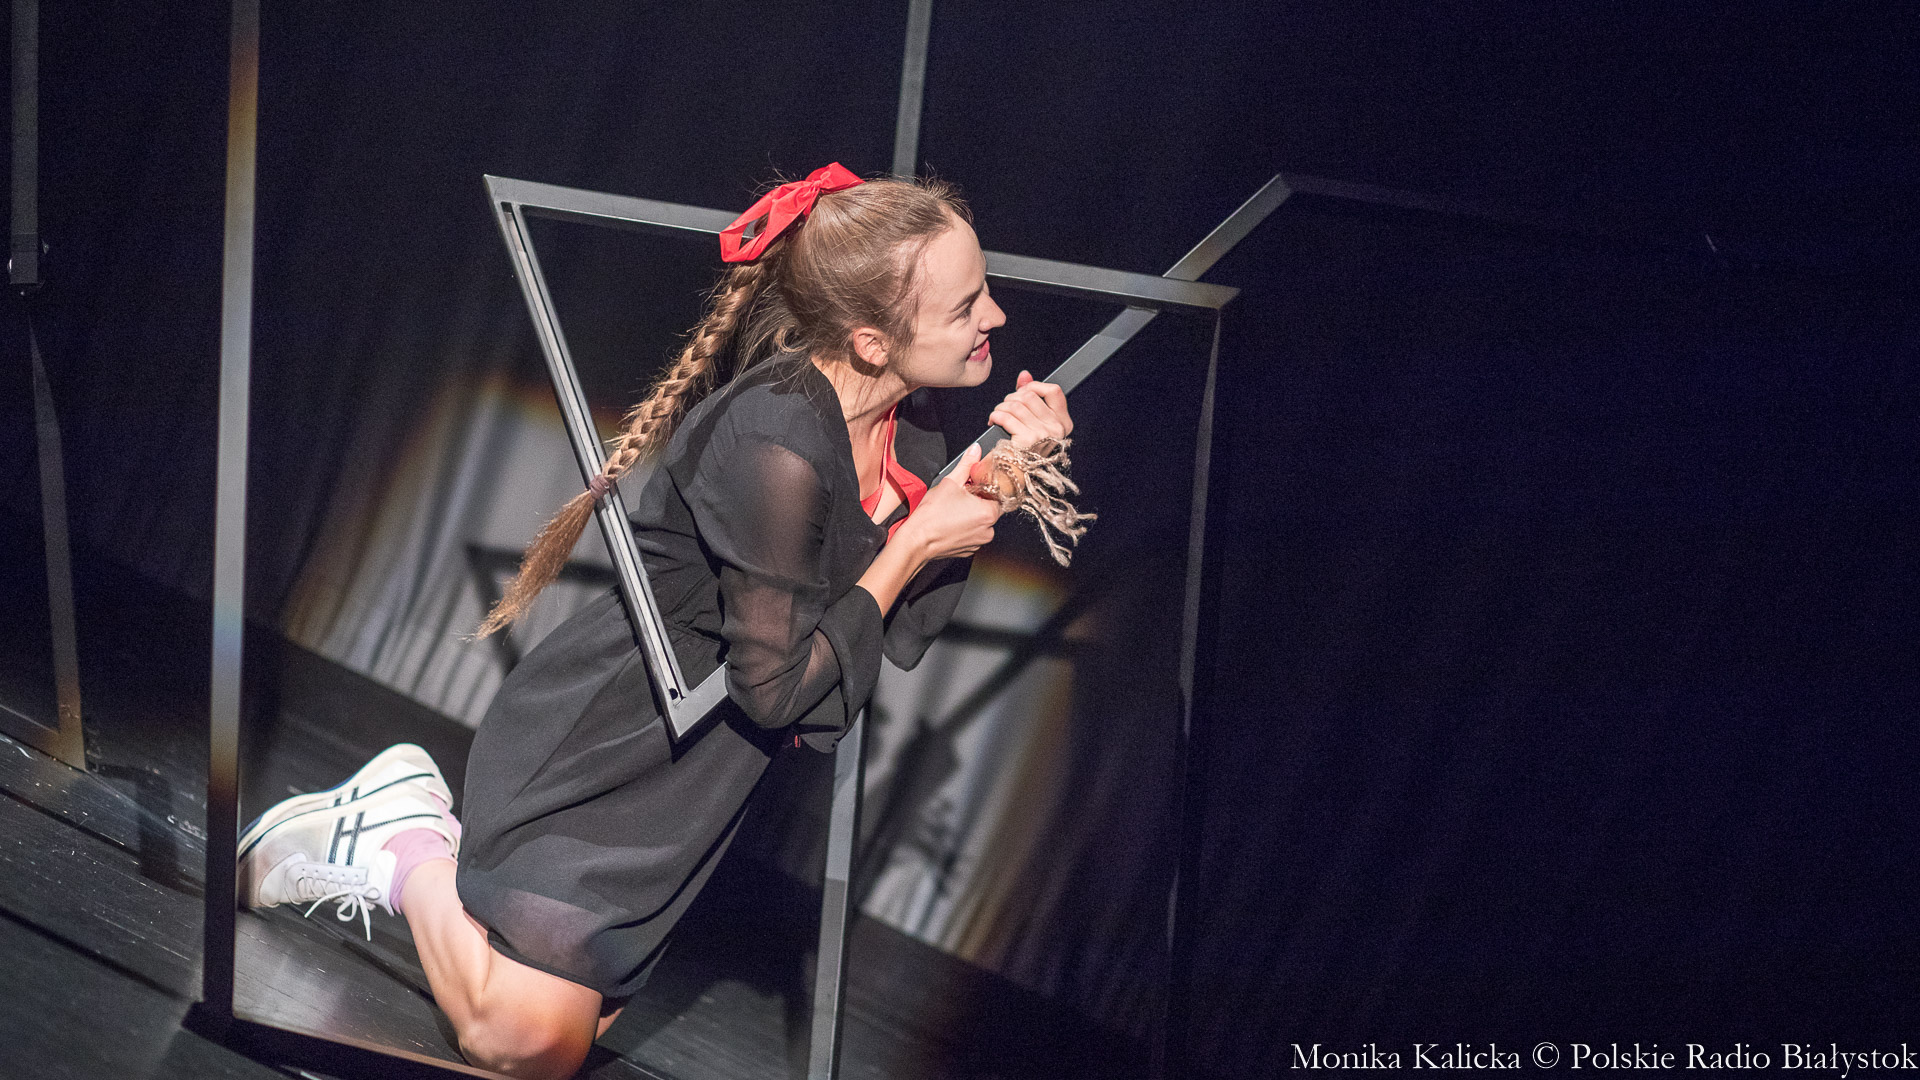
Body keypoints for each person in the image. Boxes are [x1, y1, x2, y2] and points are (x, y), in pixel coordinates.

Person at [236, 164, 1077, 1079]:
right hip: (612, 747)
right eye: (966, 306)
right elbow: (776, 688)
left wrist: (994, 476)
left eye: (983, 292)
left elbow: (895, 630)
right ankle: (403, 844)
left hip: (694, 783)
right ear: (871, 342)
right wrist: (917, 542)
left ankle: (412, 850)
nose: (995, 316)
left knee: (570, 1032)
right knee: (524, 1043)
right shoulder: (776, 443)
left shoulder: (910, 425)